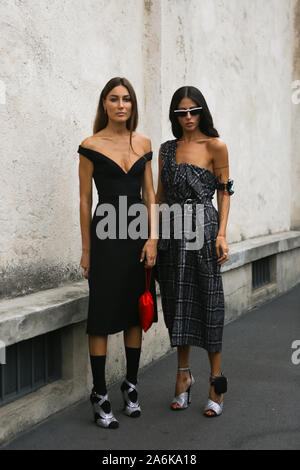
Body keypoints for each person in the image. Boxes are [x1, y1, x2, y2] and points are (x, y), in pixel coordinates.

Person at [77, 77, 158, 429]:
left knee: (132, 310)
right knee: (101, 313)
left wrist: (153, 239)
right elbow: (84, 201)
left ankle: (131, 384)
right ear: (104, 104)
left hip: (138, 237)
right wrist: (86, 250)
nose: (121, 105)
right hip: (105, 238)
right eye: (114, 99)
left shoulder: (143, 142)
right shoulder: (90, 145)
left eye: (127, 99)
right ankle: (99, 392)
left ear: (132, 105)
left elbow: (151, 195)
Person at [155, 86, 234, 417]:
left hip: (203, 230)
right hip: (172, 235)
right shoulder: (167, 150)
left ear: (202, 111)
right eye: (181, 112)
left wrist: (222, 234)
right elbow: (159, 196)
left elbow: (224, 193)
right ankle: (183, 376)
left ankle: (216, 379)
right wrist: (152, 238)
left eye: (193, 111)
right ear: (175, 116)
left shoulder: (216, 146)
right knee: (178, 306)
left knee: (209, 302)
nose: (187, 117)